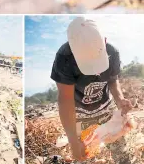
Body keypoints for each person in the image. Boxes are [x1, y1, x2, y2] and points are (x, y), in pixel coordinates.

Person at [50, 17, 132, 163]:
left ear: (104, 41)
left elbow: (113, 80)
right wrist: (73, 139)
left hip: (105, 107)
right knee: (85, 155)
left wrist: (119, 99)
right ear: (73, 50)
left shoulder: (113, 53)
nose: (96, 73)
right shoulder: (64, 58)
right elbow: (65, 100)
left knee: (121, 150)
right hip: (79, 114)